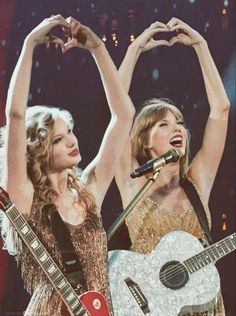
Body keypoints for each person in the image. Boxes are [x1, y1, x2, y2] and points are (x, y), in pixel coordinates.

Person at [0, 14, 134, 315]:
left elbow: (124, 116)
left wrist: (98, 49)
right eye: (59, 139)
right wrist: (29, 44)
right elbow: (16, 117)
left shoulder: (89, 191)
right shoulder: (25, 199)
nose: (73, 141)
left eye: (70, 132)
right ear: (38, 151)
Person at [114, 18, 230, 315]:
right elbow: (116, 113)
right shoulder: (133, 183)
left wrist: (201, 47)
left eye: (179, 122)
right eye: (164, 124)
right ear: (145, 141)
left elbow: (221, 110)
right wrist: (134, 50)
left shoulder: (197, 182)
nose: (177, 127)